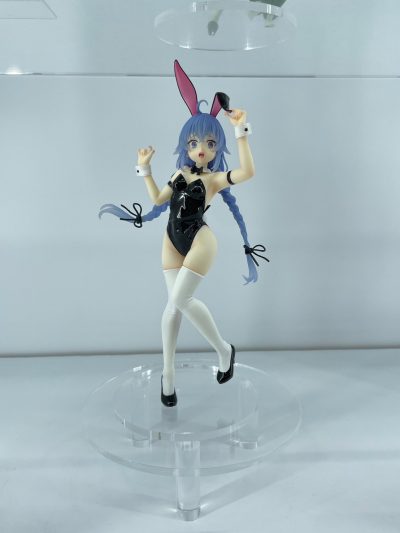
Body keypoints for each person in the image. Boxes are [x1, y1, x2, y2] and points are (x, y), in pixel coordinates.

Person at [99, 60, 268, 407]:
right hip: (171, 241)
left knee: (180, 300)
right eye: (193, 142)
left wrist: (241, 130)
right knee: (172, 308)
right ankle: (168, 375)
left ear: (217, 147)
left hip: (200, 240)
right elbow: (158, 200)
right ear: (186, 145)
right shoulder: (179, 173)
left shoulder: (214, 180)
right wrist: (144, 169)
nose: (200, 148)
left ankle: (224, 350)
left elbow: (248, 172)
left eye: (209, 142)